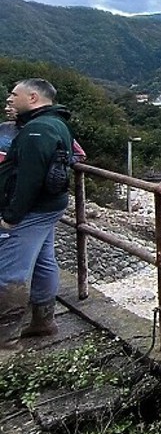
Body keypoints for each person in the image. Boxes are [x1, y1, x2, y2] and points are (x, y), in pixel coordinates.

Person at [0, 79, 74, 351]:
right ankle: (43, 321)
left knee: (8, 272)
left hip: (32, 210)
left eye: (14, 95)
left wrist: (11, 215)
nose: (10, 99)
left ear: (32, 98)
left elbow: (29, 178)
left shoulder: (37, 130)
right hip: (49, 206)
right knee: (44, 261)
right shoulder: (55, 123)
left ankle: (5, 339)